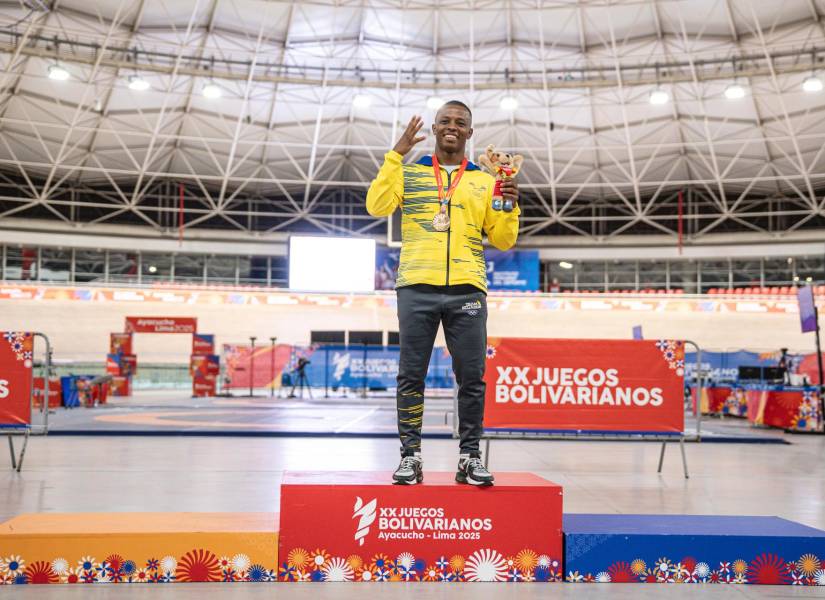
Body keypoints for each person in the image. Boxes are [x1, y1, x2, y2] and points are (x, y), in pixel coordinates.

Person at [366, 101, 521, 486]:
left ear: (470, 133)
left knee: (472, 376)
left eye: (461, 123)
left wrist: (510, 207)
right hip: (416, 285)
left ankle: (469, 457)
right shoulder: (410, 173)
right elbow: (376, 206)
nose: (453, 127)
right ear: (435, 128)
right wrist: (394, 155)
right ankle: (410, 457)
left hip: (467, 287)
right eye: (446, 121)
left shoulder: (486, 182)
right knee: (410, 376)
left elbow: (502, 240)